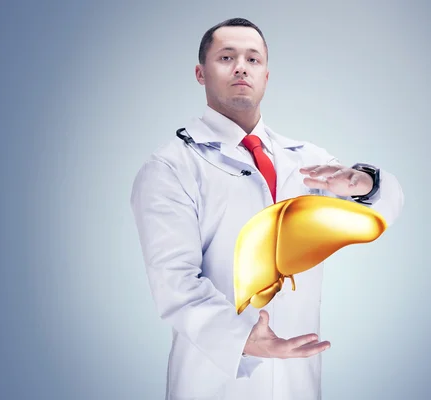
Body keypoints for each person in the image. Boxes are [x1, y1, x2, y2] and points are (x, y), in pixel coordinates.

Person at [130, 17, 404, 400]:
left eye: (253, 59)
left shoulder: (308, 160)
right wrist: (243, 337)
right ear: (200, 72)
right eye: (226, 57)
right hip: (214, 383)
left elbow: (380, 212)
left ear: (267, 76)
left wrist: (366, 182)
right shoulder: (171, 167)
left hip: (297, 382)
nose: (241, 66)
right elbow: (175, 283)